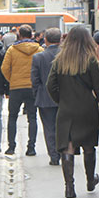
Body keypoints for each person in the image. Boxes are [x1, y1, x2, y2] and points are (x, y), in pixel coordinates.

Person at [47, 27, 99, 198]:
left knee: (67, 146)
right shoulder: (90, 60)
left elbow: (50, 85)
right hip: (87, 108)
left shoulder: (59, 60)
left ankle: (69, 187)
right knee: (88, 146)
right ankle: (90, 180)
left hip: (66, 109)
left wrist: (60, 100)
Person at [1, 24, 43, 156]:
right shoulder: (39, 49)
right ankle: (31, 147)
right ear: (31, 35)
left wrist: (12, 79)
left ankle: (11, 147)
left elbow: (4, 68)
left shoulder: (12, 50)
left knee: (12, 117)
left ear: (19, 35)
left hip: (16, 87)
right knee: (32, 117)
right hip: (32, 87)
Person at [31, 27, 61, 165]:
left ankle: (54, 156)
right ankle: (65, 152)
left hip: (45, 97)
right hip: (65, 98)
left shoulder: (39, 57)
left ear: (46, 40)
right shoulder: (66, 55)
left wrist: (37, 94)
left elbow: (35, 79)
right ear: (60, 40)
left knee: (49, 128)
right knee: (63, 126)